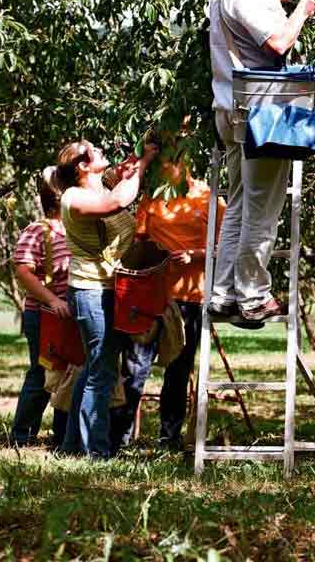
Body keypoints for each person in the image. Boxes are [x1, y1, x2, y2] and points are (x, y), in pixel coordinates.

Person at [207, 0, 315, 324]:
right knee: (262, 208)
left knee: (238, 203)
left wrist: (281, 2)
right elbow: (277, 43)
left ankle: (222, 293)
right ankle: (253, 295)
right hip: (263, 113)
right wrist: (301, 11)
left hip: (231, 109)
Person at [109, 153, 225, 451]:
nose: (164, 165)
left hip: (190, 297)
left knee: (178, 369)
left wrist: (195, 255)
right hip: (150, 294)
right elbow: (138, 240)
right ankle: (118, 440)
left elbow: (227, 247)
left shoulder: (209, 198)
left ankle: (168, 439)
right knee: (135, 368)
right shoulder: (152, 198)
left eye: (170, 159)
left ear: (186, 161)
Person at [54, 140, 157, 459]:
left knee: (94, 368)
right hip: (91, 290)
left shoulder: (99, 185)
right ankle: (96, 452)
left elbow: (118, 182)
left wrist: (134, 163)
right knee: (102, 373)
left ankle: (72, 445)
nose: (100, 150)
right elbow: (116, 202)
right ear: (82, 166)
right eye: (93, 151)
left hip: (108, 287)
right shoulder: (74, 197)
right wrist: (145, 163)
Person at [10, 169, 72, 448]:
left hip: (70, 315)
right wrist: (52, 300)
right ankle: (21, 436)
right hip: (44, 315)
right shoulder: (39, 230)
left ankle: (62, 436)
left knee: (68, 374)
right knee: (41, 372)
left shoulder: (74, 229)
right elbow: (23, 271)